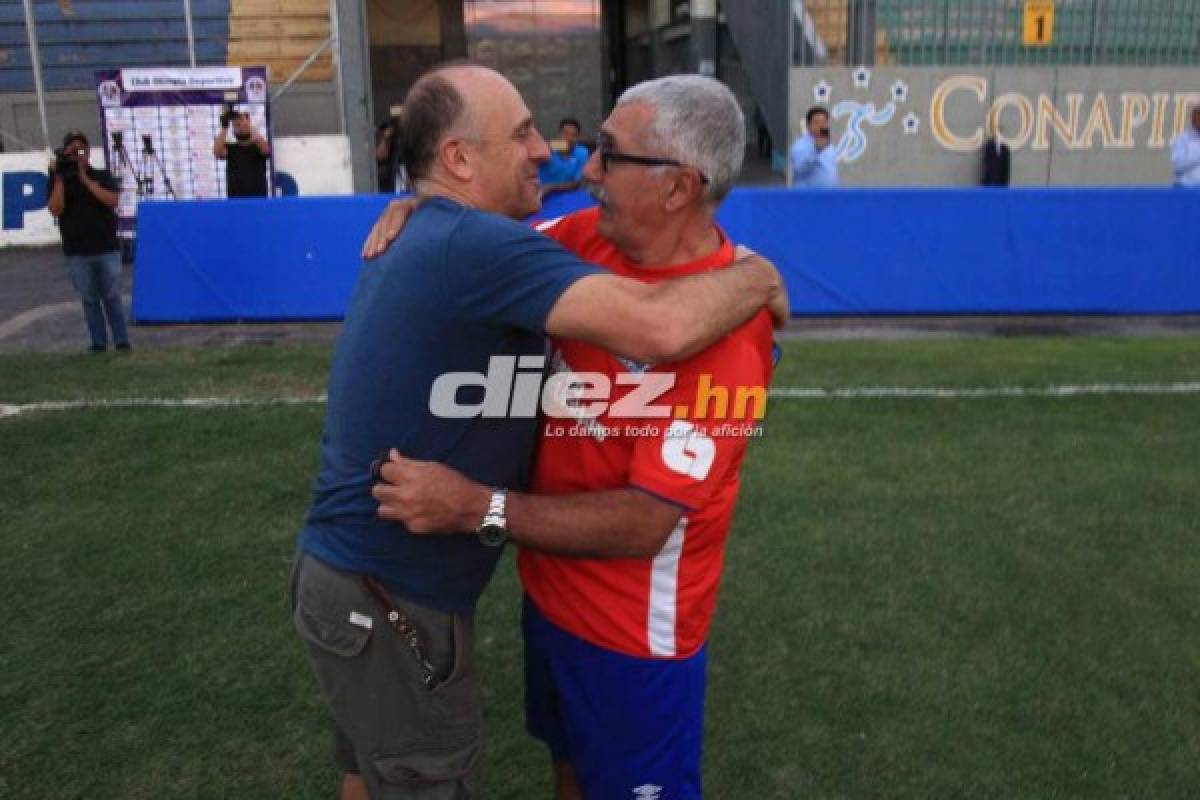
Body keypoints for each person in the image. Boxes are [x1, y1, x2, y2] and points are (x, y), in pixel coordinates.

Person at [291, 64, 787, 800]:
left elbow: (646, 521)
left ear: (678, 186)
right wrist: (421, 207)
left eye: (610, 154)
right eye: (528, 135)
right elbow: (474, 236)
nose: (580, 167)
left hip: (633, 638)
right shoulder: (583, 238)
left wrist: (477, 507)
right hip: (543, 603)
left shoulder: (729, 334)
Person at [47, 130, 130, 353]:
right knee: (89, 299)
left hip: (106, 246)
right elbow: (56, 209)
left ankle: (121, 340)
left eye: (80, 149)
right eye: (71, 150)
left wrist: (86, 179)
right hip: (77, 249)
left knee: (112, 296)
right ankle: (98, 342)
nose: (76, 154)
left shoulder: (101, 175)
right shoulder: (59, 180)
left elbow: (112, 200)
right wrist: (59, 178)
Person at [213, 110, 270, 197]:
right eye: (236, 125)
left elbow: (266, 150)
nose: (240, 127)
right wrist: (224, 127)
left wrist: (246, 123)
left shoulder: (258, 145)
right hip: (236, 199)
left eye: (242, 124)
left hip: (259, 198)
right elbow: (217, 152)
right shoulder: (230, 148)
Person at [537, 117, 589, 199]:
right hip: (541, 195)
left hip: (565, 196)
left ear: (578, 138)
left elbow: (577, 183)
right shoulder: (549, 147)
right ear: (559, 134)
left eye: (574, 135)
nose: (570, 138)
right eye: (566, 134)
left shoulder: (582, 152)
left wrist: (550, 187)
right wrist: (551, 148)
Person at [790, 105, 838, 188]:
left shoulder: (829, 146)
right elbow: (800, 168)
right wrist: (816, 150)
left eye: (824, 122)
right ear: (808, 126)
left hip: (829, 196)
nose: (821, 126)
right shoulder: (800, 145)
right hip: (808, 197)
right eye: (817, 123)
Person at [1170, 105, 1200, 188]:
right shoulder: (1182, 139)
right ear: (1193, 119)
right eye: (1198, 116)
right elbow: (1178, 166)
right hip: (1187, 189)